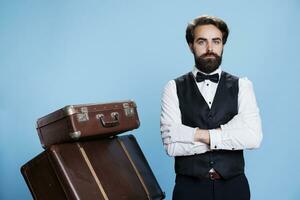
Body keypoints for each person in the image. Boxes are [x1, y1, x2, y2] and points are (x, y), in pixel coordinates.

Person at [160, 15, 263, 200]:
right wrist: (228, 136)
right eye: (202, 42)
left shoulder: (243, 86)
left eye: (216, 41)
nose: (210, 49)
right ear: (191, 45)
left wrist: (196, 135)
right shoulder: (173, 87)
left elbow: (253, 138)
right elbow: (171, 145)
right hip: (189, 189)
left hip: (234, 188)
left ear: (223, 44)